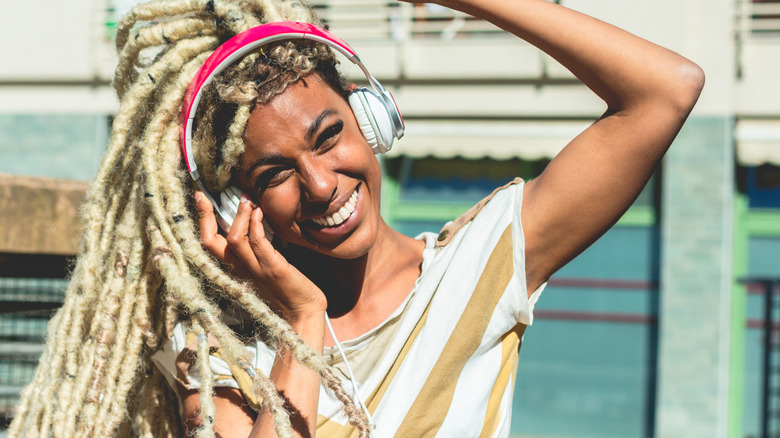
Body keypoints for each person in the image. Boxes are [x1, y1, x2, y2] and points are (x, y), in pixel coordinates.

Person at [8, 0, 704, 437]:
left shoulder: (482, 266)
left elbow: (665, 90)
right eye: (273, 174)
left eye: (328, 135)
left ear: (373, 120)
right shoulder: (214, 350)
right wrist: (302, 323)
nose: (319, 184)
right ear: (233, 205)